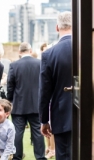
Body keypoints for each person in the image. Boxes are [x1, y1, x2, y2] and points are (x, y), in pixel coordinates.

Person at [38, 11, 72, 160]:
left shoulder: (49, 54)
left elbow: (44, 91)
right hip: (88, 113)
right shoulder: (89, 48)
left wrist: (44, 120)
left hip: (61, 114)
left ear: (57, 27)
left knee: (63, 155)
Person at [7, 42, 46, 160]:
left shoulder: (14, 65)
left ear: (19, 52)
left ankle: (17, 157)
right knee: (38, 133)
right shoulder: (39, 63)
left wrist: (10, 101)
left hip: (19, 105)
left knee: (17, 133)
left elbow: (10, 86)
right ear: (30, 51)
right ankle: (40, 157)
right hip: (36, 104)